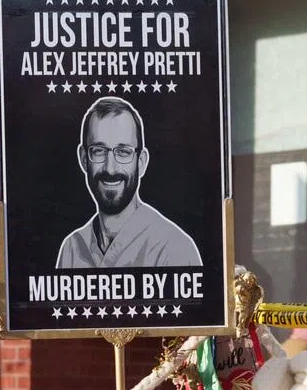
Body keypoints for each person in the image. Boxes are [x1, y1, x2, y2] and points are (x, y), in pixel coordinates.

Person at [57, 96, 202, 269]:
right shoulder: (72, 249)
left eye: (123, 152)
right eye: (98, 151)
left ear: (141, 162)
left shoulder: (173, 249)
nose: (110, 168)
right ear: (83, 159)